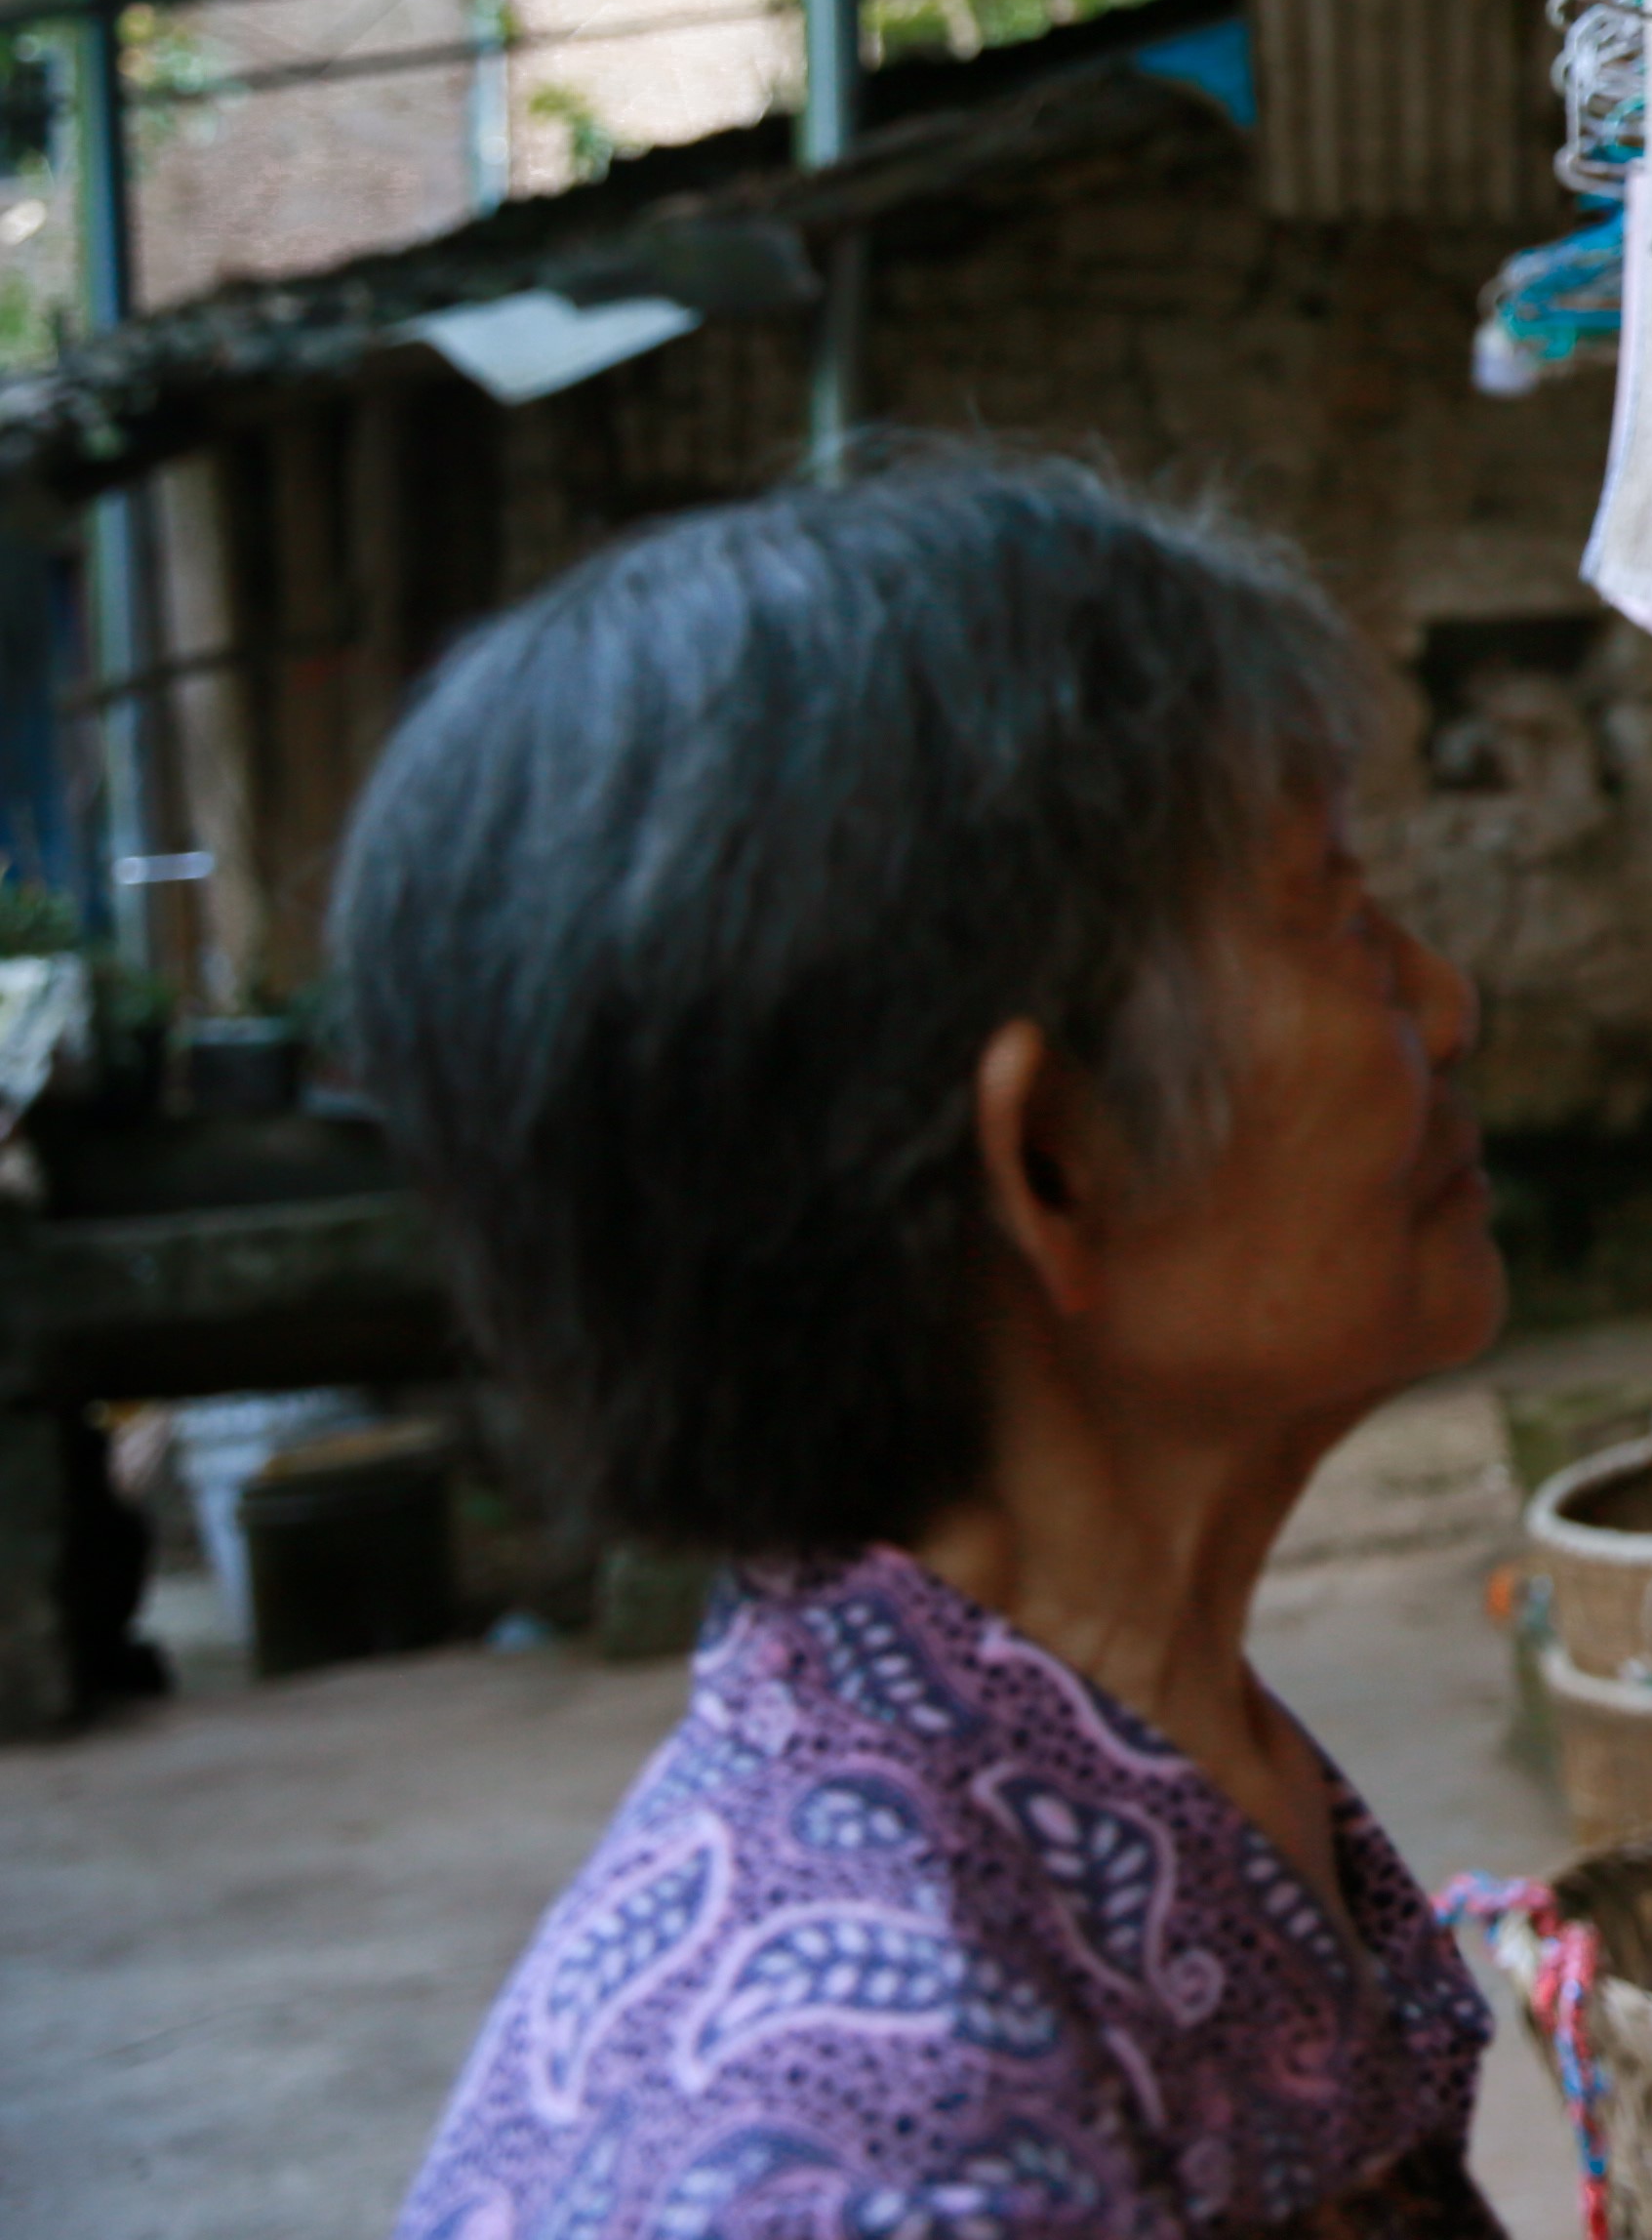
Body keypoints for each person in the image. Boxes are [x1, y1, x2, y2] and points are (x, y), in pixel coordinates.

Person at [361, 454, 1514, 2239]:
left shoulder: (1106, 1769)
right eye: (1335, 909)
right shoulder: (892, 2149)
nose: (1444, 1002)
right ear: (1050, 1160)